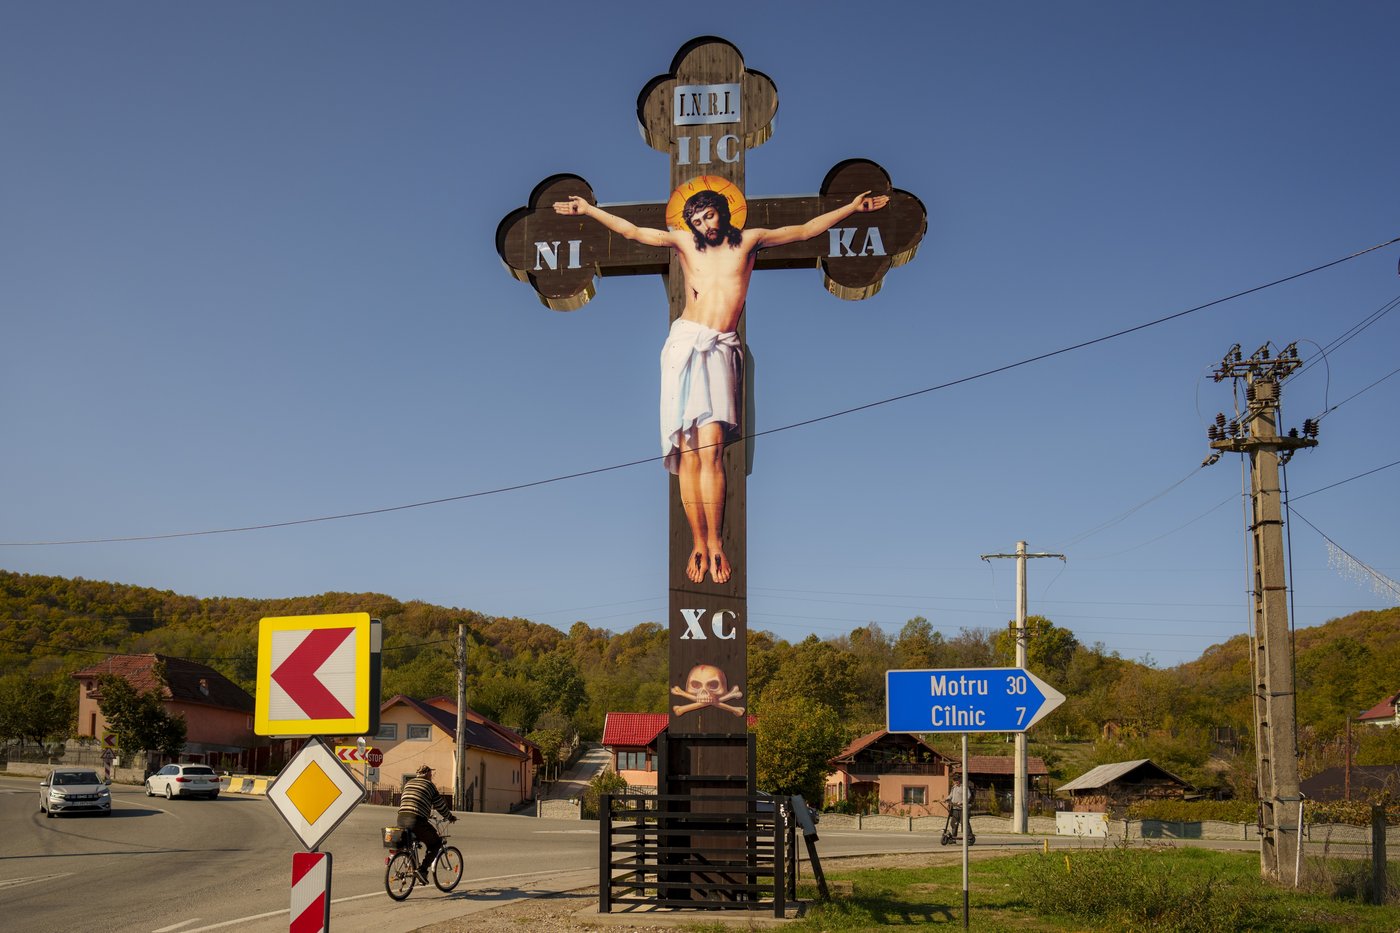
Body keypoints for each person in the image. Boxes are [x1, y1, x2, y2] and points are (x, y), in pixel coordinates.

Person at [553, 186, 889, 584]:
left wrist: (852, 206)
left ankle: (716, 542)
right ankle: (699, 543)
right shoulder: (683, 243)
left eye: (709, 216)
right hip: (684, 344)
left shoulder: (749, 240)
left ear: (723, 212)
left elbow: (804, 230)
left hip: (719, 348)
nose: (704, 226)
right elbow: (633, 232)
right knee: (689, 457)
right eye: (696, 221)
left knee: (711, 452)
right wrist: (589, 210)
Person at [397, 764, 456, 880]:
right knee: (436, 843)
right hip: (416, 820)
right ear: (427, 774)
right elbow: (439, 805)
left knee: (416, 839)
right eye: (431, 774)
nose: (431, 776)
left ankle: (411, 863)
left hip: (401, 818)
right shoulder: (429, 785)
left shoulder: (408, 783)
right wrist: (450, 816)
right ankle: (422, 870)